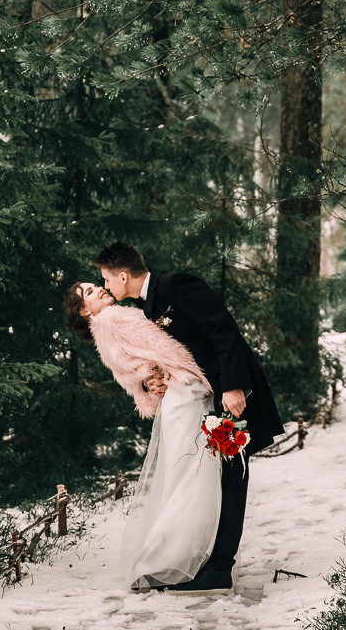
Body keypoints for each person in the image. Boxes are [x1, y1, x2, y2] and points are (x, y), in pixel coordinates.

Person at [95, 242, 285, 593]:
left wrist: (233, 388)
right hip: (209, 398)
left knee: (233, 478)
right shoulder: (145, 305)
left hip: (232, 395)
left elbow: (224, 330)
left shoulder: (176, 285)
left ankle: (219, 570)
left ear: (123, 276)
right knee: (220, 479)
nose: (106, 287)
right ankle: (209, 564)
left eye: (107, 279)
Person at [63, 281, 224, 592]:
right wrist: (195, 371)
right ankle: (166, 560)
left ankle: (175, 556)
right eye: (89, 292)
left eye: (97, 284)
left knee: (183, 473)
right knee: (191, 474)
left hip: (176, 398)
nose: (98, 288)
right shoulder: (111, 319)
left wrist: (148, 379)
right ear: (84, 310)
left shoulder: (109, 327)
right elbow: (164, 348)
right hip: (182, 394)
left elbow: (134, 370)